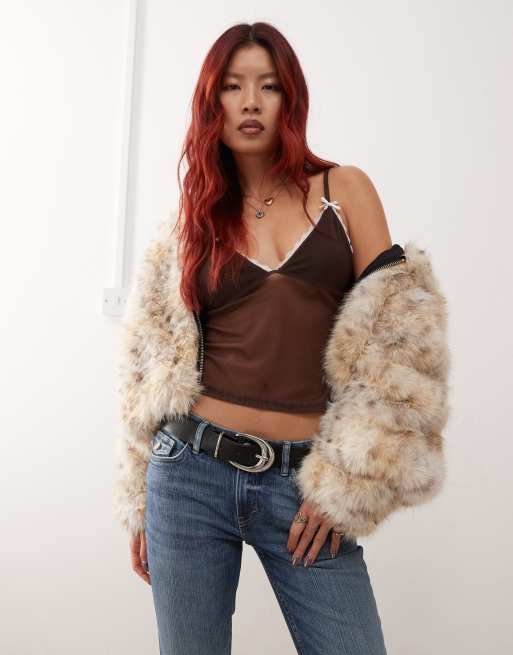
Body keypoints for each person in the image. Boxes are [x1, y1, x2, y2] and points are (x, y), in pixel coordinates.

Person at [113, 22, 450, 655]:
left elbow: (401, 345)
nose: (249, 102)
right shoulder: (193, 218)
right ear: (211, 101)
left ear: (290, 98)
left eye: (267, 86)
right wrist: (139, 497)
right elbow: (149, 368)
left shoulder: (344, 191)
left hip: (303, 484)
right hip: (188, 475)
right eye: (232, 87)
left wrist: (346, 483)